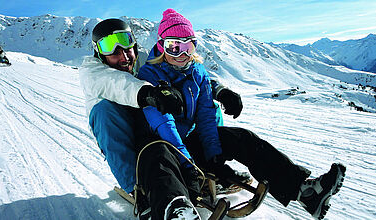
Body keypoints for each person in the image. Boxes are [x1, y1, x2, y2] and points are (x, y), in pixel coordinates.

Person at [136, 9, 346, 220]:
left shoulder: (197, 71)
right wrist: (187, 165)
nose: (182, 55)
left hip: (190, 142)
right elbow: (163, 124)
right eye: (174, 47)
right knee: (161, 155)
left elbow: (206, 115)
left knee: (241, 138)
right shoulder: (149, 75)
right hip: (165, 147)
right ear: (162, 47)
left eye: (188, 46)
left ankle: (305, 191)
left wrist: (213, 156)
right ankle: (177, 209)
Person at [78, 18, 244, 216]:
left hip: (153, 125)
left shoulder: (144, 59)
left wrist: (219, 91)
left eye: (126, 42)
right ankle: (139, 191)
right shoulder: (92, 71)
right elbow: (116, 83)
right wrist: (149, 93)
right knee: (104, 112)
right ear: (99, 52)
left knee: (207, 106)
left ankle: (209, 166)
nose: (122, 55)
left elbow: (186, 73)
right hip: (126, 133)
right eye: (110, 48)